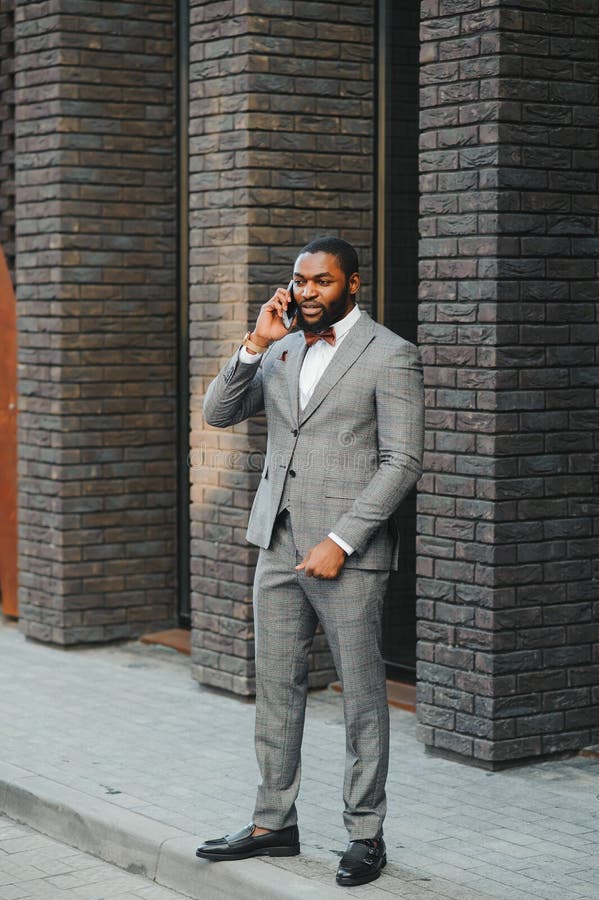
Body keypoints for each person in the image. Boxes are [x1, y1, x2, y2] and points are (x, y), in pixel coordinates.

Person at [196, 237, 424, 887]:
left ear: (352, 284)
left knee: (358, 698)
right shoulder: (282, 346)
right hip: (275, 540)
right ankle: (273, 824)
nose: (307, 292)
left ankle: (364, 833)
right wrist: (254, 345)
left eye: (322, 281)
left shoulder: (390, 355)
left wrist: (342, 540)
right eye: (299, 282)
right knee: (275, 686)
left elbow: (401, 461)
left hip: (345, 555)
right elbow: (217, 412)